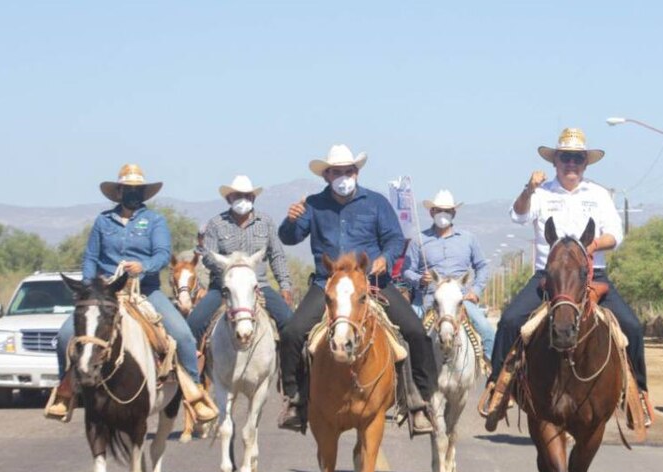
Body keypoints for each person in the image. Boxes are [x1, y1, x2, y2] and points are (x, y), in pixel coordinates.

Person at [486, 128, 650, 421]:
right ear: (555, 162)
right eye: (565, 158)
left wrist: (594, 245)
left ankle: (637, 394)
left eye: (577, 158)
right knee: (510, 321)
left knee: (633, 328)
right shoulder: (541, 193)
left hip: (592, 276)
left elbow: (616, 235)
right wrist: (528, 188)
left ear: (585, 163)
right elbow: (518, 215)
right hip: (548, 278)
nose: (571, 164)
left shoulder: (599, 195)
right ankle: (498, 389)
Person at [276, 144, 438, 434]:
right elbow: (289, 238)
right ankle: (296, 400)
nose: (343, 176)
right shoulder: (312, 205)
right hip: (328, 284)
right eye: (336, 172)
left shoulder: (376, 203)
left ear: (357, 172)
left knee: (416, 332)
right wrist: (290, 220)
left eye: (348, 171)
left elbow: (394, 240)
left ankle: (420, 402)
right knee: (291, 333)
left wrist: (384, 260)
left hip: (372, 283)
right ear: (326, 175)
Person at [46, 164, 217, 423]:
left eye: (137, 190)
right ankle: (65, 392)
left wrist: (143, 266)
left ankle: (194, 393)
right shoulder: (103, 221)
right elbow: (91, 258)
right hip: (106, 291)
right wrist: (89, 286)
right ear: (119, 191)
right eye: (128, 189)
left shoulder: (155, 221)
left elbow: (161, 255)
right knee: (65, 335)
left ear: (144, 193)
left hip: (145, 291)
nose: (132, 194)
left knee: (182, 336)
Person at [186, 175, 294, 344]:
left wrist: (285, 286)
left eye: (247, 196)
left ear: (253, 198)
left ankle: (288, 369)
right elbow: (207, 256)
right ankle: (194, 367)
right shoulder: (216, 223)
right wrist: (232, 268)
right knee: (194, 323)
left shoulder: (265, 222)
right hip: (222, 287)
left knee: (290, 323)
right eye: (237, 196)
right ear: (229, 198)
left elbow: (277, 255)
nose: (243, 199)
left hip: (259, 285)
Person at [402, 189, 494, 361]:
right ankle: (404, 379)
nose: (443, 214)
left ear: (454, 213)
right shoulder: (419, 240)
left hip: (460, 301)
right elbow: (406, 270)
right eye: (438, 210)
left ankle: (490, 372)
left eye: (447, 211)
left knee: (487, 331)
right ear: (432, 212)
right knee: (403, 335)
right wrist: (419, 279)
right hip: (427, 299)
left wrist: (475, 290)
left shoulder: (468, 239)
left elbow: (482, 266)